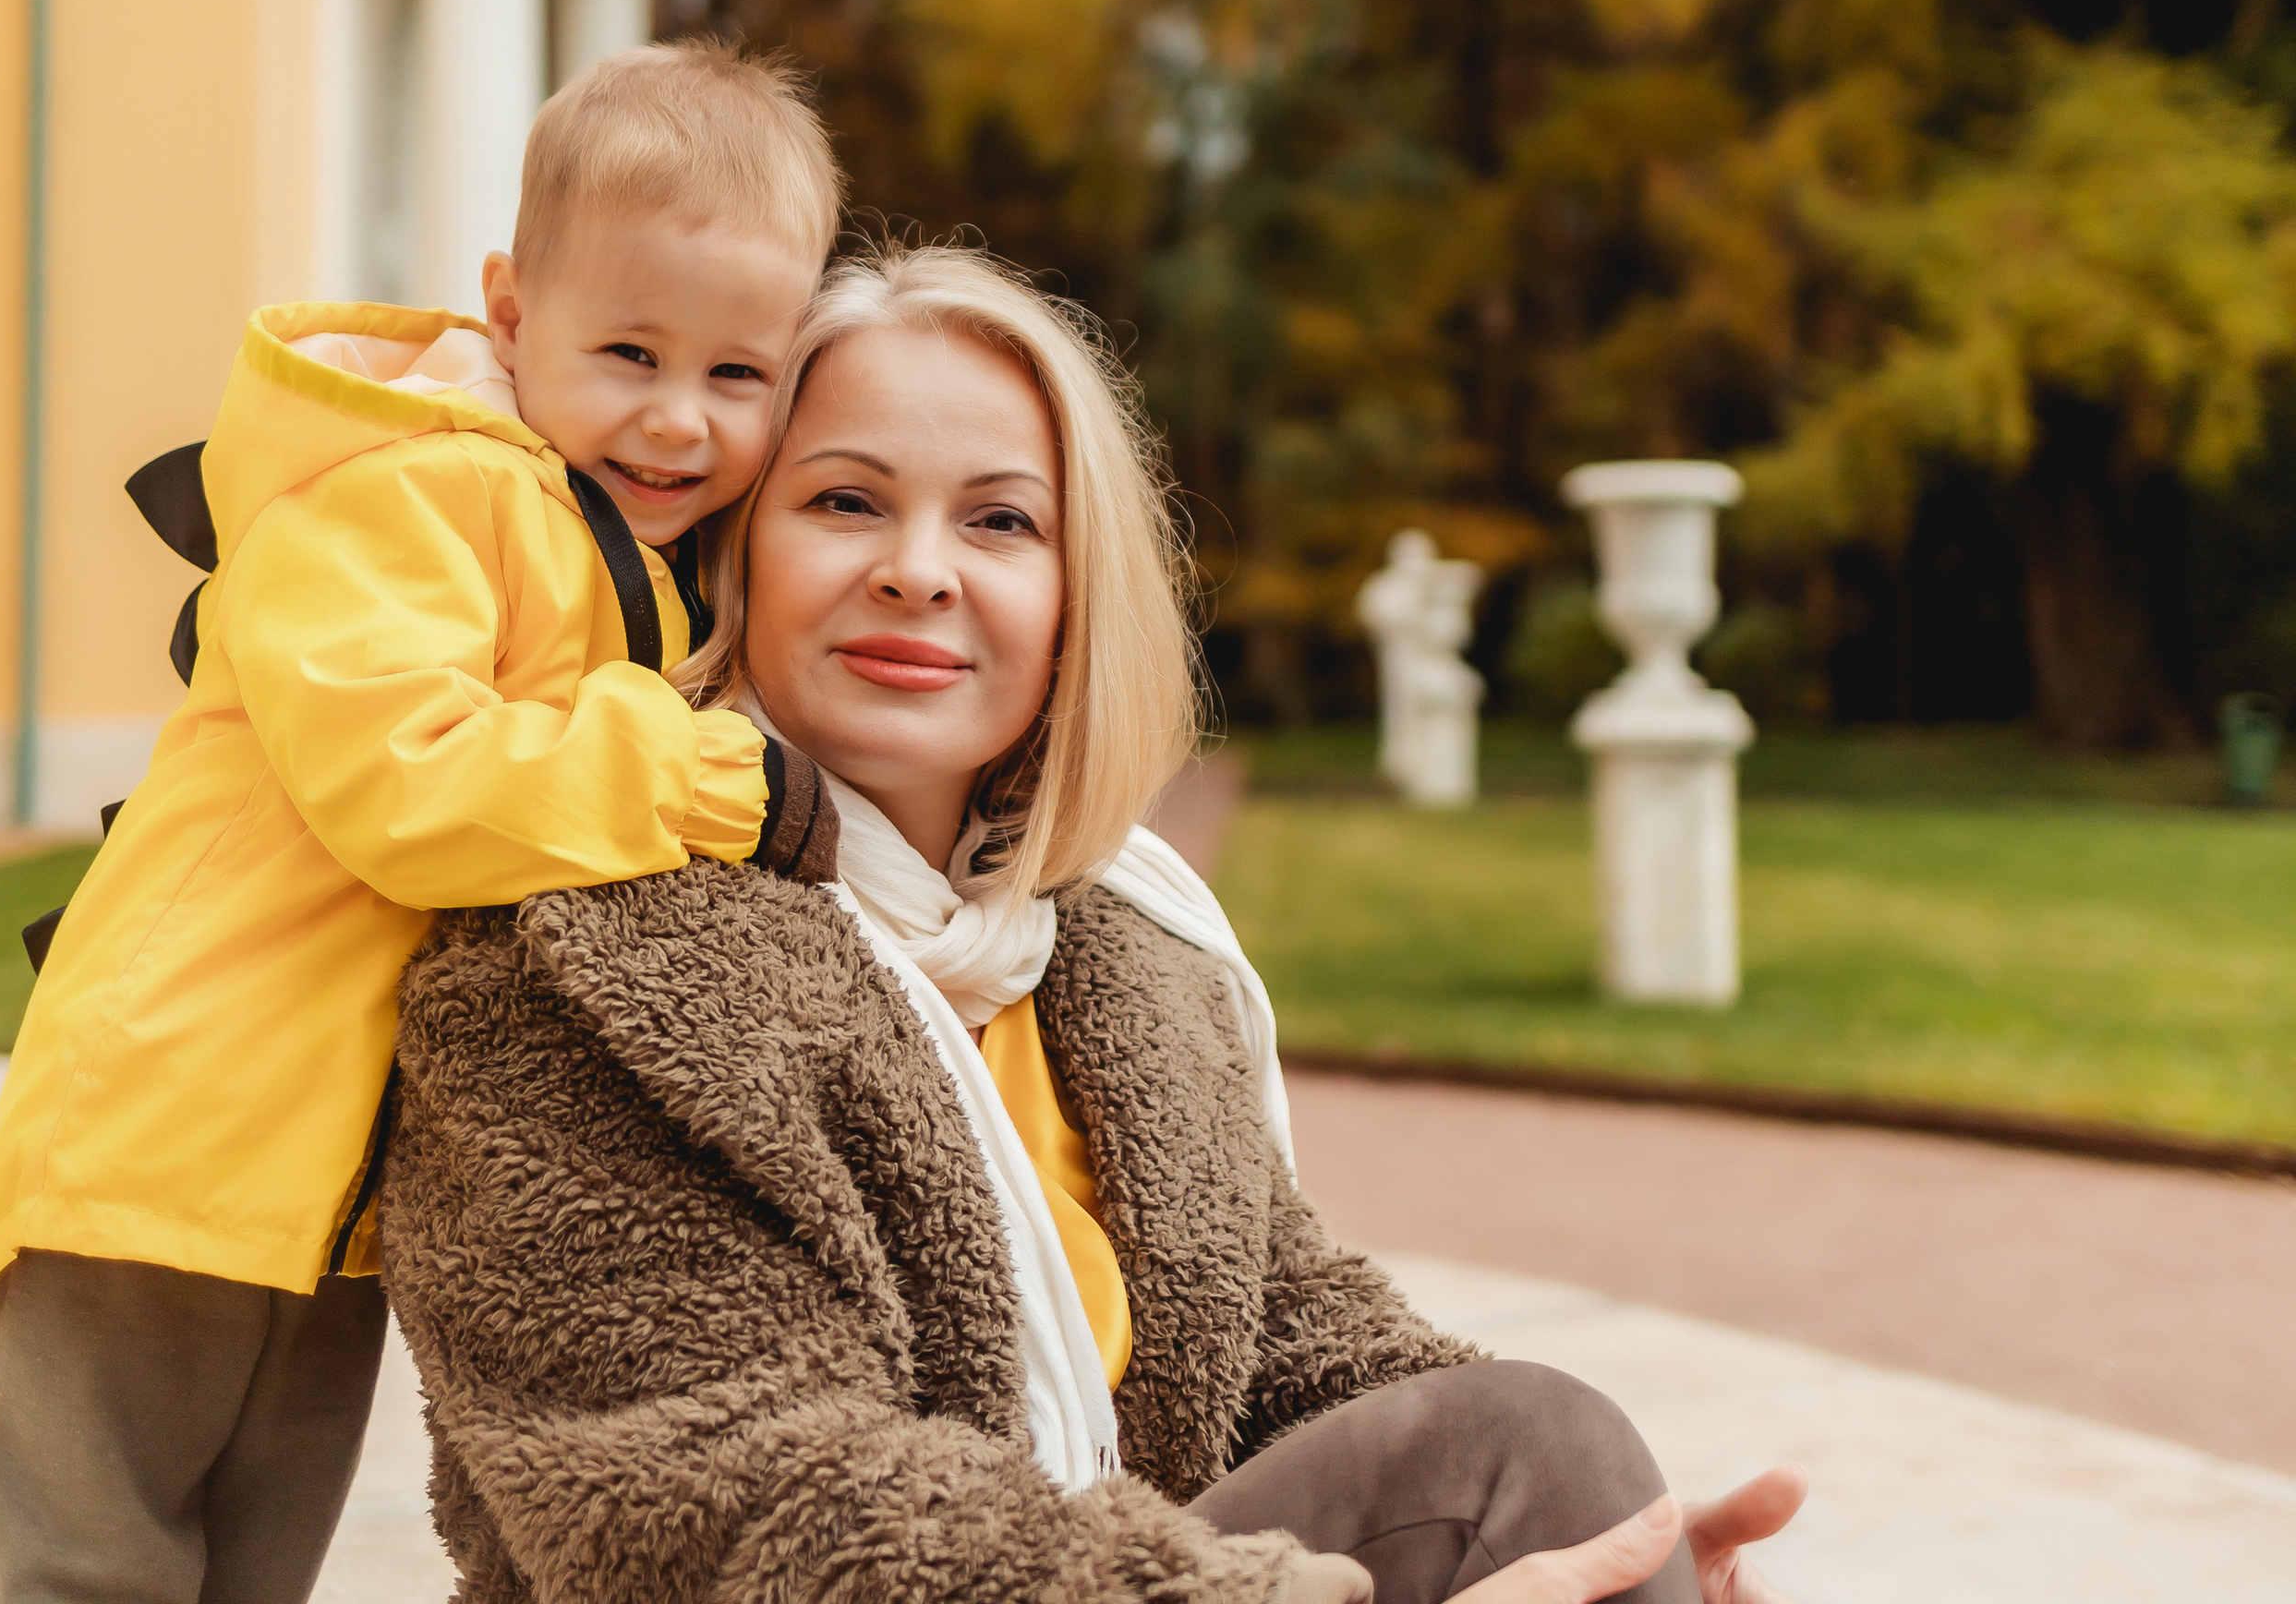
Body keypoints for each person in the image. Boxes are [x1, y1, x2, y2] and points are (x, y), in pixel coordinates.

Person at [381, 243, 1805, 1603]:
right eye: (844, 502)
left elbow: (1295, 1347)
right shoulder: (570, 969)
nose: (920, 572)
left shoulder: (1129, 953)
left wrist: (1609, 1542)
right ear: (730, 554)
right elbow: (726, 1516)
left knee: (1545, 1461)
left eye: (999, 520)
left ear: (1074, 597)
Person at [0, 43, 846, 1604]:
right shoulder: (404, 495)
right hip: (165, 1140)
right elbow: (412, 786)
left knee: (249, 1572)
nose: (681, 421)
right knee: (79, 1569)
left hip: (329, 1202)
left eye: (738, 376)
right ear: (508, 310)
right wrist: (712, 782)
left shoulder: (605, 539)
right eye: (630, 351)